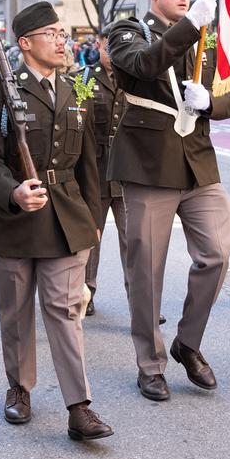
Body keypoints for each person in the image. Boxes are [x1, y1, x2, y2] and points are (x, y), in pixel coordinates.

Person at [0, 1, 112, 441]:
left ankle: (79, 406)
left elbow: (88, 161)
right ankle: (19, 388)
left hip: (66, 217)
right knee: (15, 312)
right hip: (12, 218)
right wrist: (12, 190)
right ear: (26, 43)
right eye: (51, 33)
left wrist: (92, 218)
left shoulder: (74, 89)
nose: (61, 39)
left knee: (66, 311)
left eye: (62, 32)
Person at [106, 0, 230, 402]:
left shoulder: (207, 37)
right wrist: (191, 26)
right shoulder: (127, 31)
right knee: (146, 270)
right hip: (148, 164)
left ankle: (188, 342)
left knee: (217, 253)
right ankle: (150, 363)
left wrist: (211, 104)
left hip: (197, 161)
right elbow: (143, 65)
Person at [78, 30, 129, 319]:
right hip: (94, 172)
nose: (114, 53)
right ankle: (85, 293)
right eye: (109, 47)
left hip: (125, 173)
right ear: (98, 46)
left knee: (134, 240)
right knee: (89, 239)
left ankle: (140, 299)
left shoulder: (135, 77)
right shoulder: (83, 79)